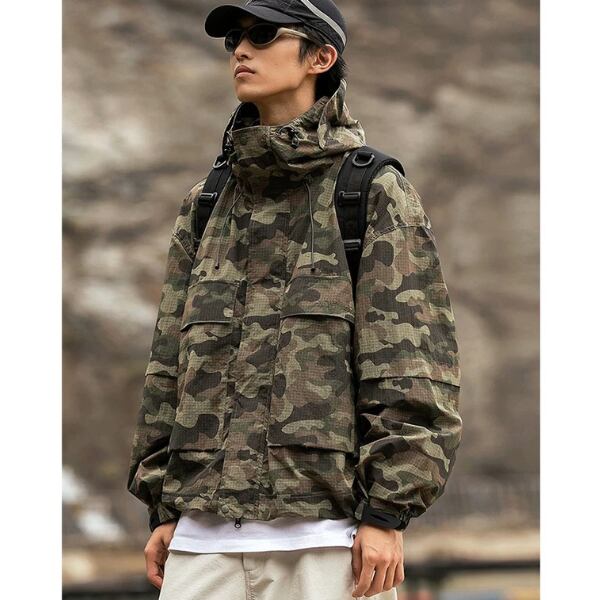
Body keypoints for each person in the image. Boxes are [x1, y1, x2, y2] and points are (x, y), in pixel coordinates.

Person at [126, 1, 463, 599]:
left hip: (330, 539)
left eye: (262, 34)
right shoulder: (206, 202)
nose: (241, 49)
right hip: (202, 541)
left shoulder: (370, 191)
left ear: (321, 57)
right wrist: (164, 505)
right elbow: (168, 367)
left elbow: (411, 365)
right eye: (234, 38)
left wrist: (388, 512)